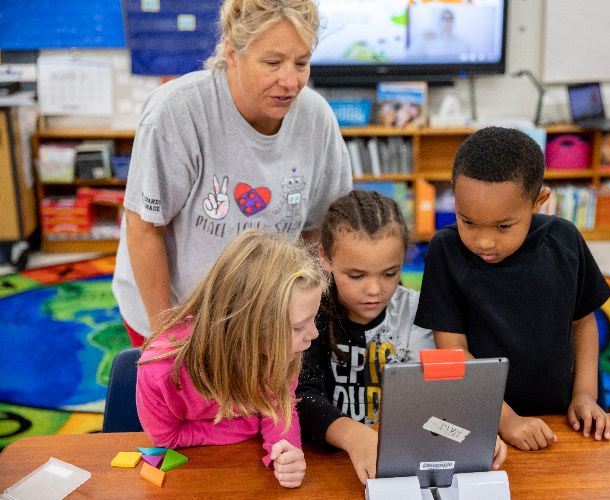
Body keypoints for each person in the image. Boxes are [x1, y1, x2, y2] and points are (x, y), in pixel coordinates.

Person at [113, 0, 352, 346]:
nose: (290, 81)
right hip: (175, 309)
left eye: (301, 63)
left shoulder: (317, 118)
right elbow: (144, 228)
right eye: (272, 63)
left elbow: (318, 232)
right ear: (232, 53)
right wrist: (165, 336)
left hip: (266, 313)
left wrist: (313, 314)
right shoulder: (177, 112)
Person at [415, 127, 610, 452]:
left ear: (539, 202)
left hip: (563, 416)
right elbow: (451, 353)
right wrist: (506, 420)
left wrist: (585, 396)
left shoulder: (565, 240)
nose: (484, 241)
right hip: (483, 421)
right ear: (454, 193)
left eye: (504, 226)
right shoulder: (445, 251)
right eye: (467, 221)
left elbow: (584, 322)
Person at [296, 191, 504, 484]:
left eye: (389, 273)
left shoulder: (417, 312)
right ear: (325, 258)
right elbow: (300, 396)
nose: (374, 289)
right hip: (325, 465)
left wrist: (468, 432)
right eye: (356, 275)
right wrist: (354, 436)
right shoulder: (308, 312)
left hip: (402, 462)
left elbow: (439, 396)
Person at [136, 230, 326, 488]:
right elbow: (167, 438)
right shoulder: (159, 370)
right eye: (298, 327)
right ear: (248, 330)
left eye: (313, 319)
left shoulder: (279, 352)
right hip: (192, 481)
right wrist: (249, 425)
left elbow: (279, 408)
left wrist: (286, 452)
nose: (313, 334)